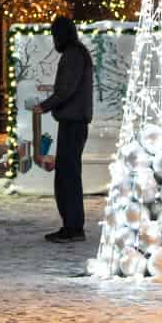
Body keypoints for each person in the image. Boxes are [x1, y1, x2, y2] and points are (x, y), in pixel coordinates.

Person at [37, 16, 94, 242]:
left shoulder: (73, 55)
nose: (53, 41)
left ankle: (73, 227)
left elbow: (66, 89)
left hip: (73, 121)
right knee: (67, 174)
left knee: (67, 176)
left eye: (54, 35)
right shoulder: (77, 53)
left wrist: (45, 106)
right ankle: (71, 225)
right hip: (73, 120)